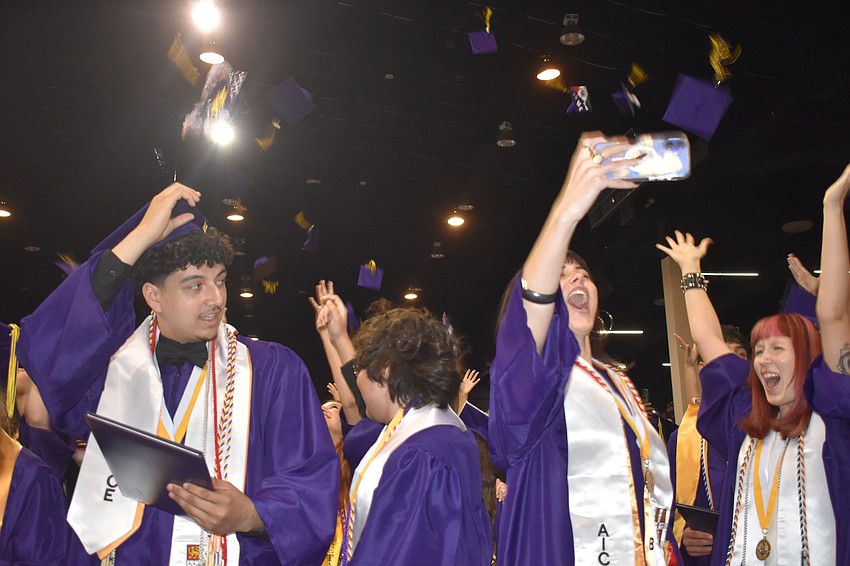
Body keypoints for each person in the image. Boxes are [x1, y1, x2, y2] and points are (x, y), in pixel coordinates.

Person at [17, 183, 338, 565]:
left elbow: (311, 483)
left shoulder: (273, 370)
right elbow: (53, 363)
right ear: (154, 297)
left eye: (219, 280)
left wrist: (252, 516)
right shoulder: (112, 370)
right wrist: (138, 239)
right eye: (195, 285)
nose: (216, 298)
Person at [488, 133, 680, 564]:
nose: (576, 279)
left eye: (584, 274)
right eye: (561, 273)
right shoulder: (537, 381)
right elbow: (526, 324)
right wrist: (568, 210)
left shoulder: (619, 385)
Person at [657, 229, 841, 564]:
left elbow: (837, 331)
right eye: (758, 350)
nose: (763, 359)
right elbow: (710, 340)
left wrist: (831, 208)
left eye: (777, 348)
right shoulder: (744, 421)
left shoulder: (833, 423)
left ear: (806, 356)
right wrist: (690, 271)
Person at [317, 303, 492, 564]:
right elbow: (357, 439)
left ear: (385, 370)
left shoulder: (420, 454)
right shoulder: (437, 433)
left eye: (359, 371)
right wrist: (337, 337)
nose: (359, 382)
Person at [667, 326, 748, 565]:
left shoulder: (774, 429)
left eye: (740, 357)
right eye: (720, 360)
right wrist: (684, 537)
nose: (730, 369)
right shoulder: (684, 439)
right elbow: (668, 512)